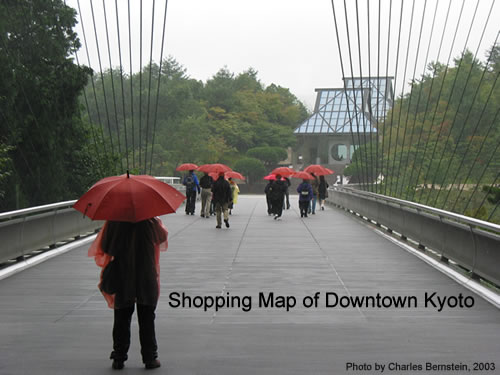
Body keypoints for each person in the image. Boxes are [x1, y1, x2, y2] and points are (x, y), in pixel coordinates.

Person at [88, 218, 168, 370]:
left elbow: (105, 247)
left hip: (123, 274)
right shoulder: (150, 220)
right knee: (147, 317)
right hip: (146, 273)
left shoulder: (114, 222)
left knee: (121, 317)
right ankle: (150, 357)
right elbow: (162, 237)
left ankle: (119, 357)